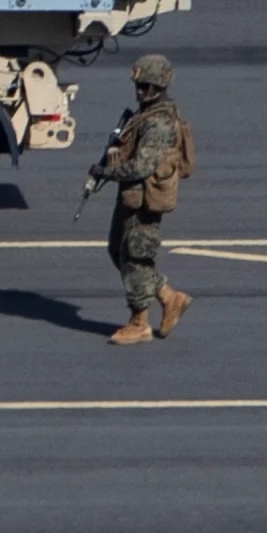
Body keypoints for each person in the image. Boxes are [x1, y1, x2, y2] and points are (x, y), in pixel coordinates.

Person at [89, 54, 195, 345]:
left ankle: (139, 323)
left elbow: (142, 166)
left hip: (144, 200)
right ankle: (169, 297)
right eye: (140, 85)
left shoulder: (158, 123)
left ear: (162, 87)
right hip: (131, 197)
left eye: (150, 87)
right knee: (119, 253)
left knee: (136, 257)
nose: (143, 91)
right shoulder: (145, 113)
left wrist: (106, 172)